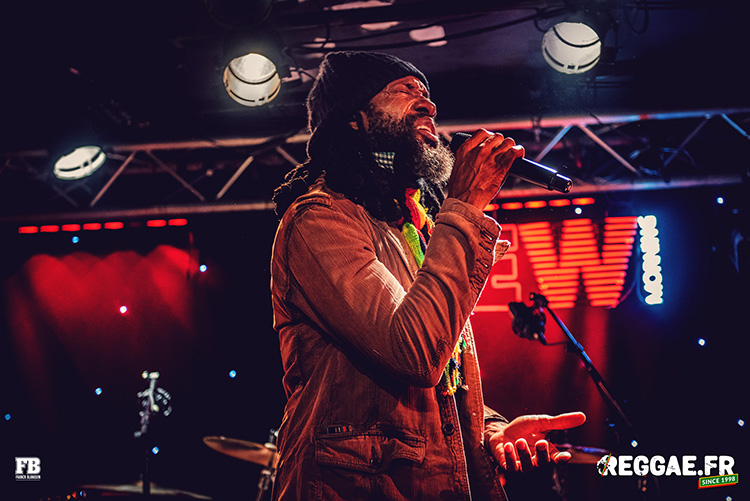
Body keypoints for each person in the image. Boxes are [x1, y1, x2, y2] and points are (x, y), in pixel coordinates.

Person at [270, 51, 586, 500]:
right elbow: (413, 353)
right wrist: (465, 206)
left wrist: (491, 431)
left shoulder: (414, 230)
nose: (429, 105)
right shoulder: (319, 220)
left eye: (427, 93)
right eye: (405, 91)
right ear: (355, 118)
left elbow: (439, 376)